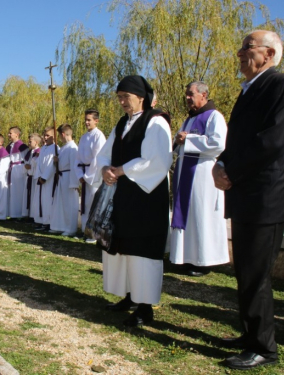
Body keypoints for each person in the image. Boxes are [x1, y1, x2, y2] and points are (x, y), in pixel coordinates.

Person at [213, 30, 284, 371]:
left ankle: (265, 349)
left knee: (257, 276)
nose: (239, 52)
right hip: (245, 195)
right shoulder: (249, 90)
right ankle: (249, 333)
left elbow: (271, 142)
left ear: (269, 54)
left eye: (247, 47)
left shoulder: (278, 87)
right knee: (244, 271)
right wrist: (221, 163)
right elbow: (237, 138)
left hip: (265, 197)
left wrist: (232, 170)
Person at [96, 75, 172, 327]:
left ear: (141, 97)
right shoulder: (121, 124)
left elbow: (157, 160)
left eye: (125, 97)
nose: (121, 102)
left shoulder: (155, 121)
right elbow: (104, 153)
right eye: (119, 98)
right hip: (123, 197)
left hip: (146, 199)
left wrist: (119, 170)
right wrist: (106, 167)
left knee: (141, 250)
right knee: (123, 246)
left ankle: (145, 306)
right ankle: (129, 296)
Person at [169, 82, 229, 276]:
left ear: (203, 95)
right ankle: (185, 258)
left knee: (201, 215)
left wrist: (189, 140)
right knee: (187, 214)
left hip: (203, 173)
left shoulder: (214, 116)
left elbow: (219, 144)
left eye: (190, 94)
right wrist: (178, 141)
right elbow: (180, 144)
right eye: (186, 94)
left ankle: (204, 261)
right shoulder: (188, 120)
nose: (187, 98)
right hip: (185, 171)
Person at [75, 109, 106, 242]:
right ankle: (85, 231)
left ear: (96, 121)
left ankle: (94, 233)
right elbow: (78, 158)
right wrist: (79, 174)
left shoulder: (99, 136)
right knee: (86, 204)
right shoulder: (83, 137)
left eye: (89, 120)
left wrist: (87, 175)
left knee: (94, 203)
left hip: (94, 175)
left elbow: (97, 158)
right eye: (86, 120)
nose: (86, 122)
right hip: (84, 172)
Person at [50, 125, 79, 236]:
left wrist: (74, 183)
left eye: (59, 135)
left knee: (70, 204)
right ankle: (61, 225)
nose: (59, 138)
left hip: (68, 177)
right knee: (61, 203)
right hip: (62, 177)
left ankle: (71, 228)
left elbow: (73, 166)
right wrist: (57, 161)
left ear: (63, 134)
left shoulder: (73, 148)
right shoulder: (64, 148)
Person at [32, 127, 58, 231]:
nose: (45, 138)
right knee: (39, 200)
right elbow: (38, 163)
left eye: (48, 135)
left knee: (48, 201)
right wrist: (38, 175)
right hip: (40, 178)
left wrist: (44, 177)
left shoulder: (56, 149)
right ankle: (40, 220)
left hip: (49, 180)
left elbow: (52, 165)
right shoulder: (43, 148)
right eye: (44, 135)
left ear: (53, 136)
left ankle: (48, 222)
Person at [6, 127, 29, 219]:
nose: (8, 135)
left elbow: (27, 160)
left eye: (10, 133)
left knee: (19, 192)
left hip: (19, 170)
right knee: (12, 192)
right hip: (11, 169)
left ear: (17, 134)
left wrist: (23, 171)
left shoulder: (22, 146)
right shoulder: (9, 146)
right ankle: (12, 213)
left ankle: (19, 214)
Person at [21, 133, 42, 220]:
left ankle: (33, 215)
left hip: (34, 177)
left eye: (30, 141)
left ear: (36, 142)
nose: (28, 143)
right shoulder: (30, 152)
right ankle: (28, 214)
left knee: (33, 196)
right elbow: (26, 162)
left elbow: (38, 165)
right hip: (29, 176)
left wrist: (31, 167)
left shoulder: (39, 152)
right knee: (28, 195)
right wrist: (26, 166)